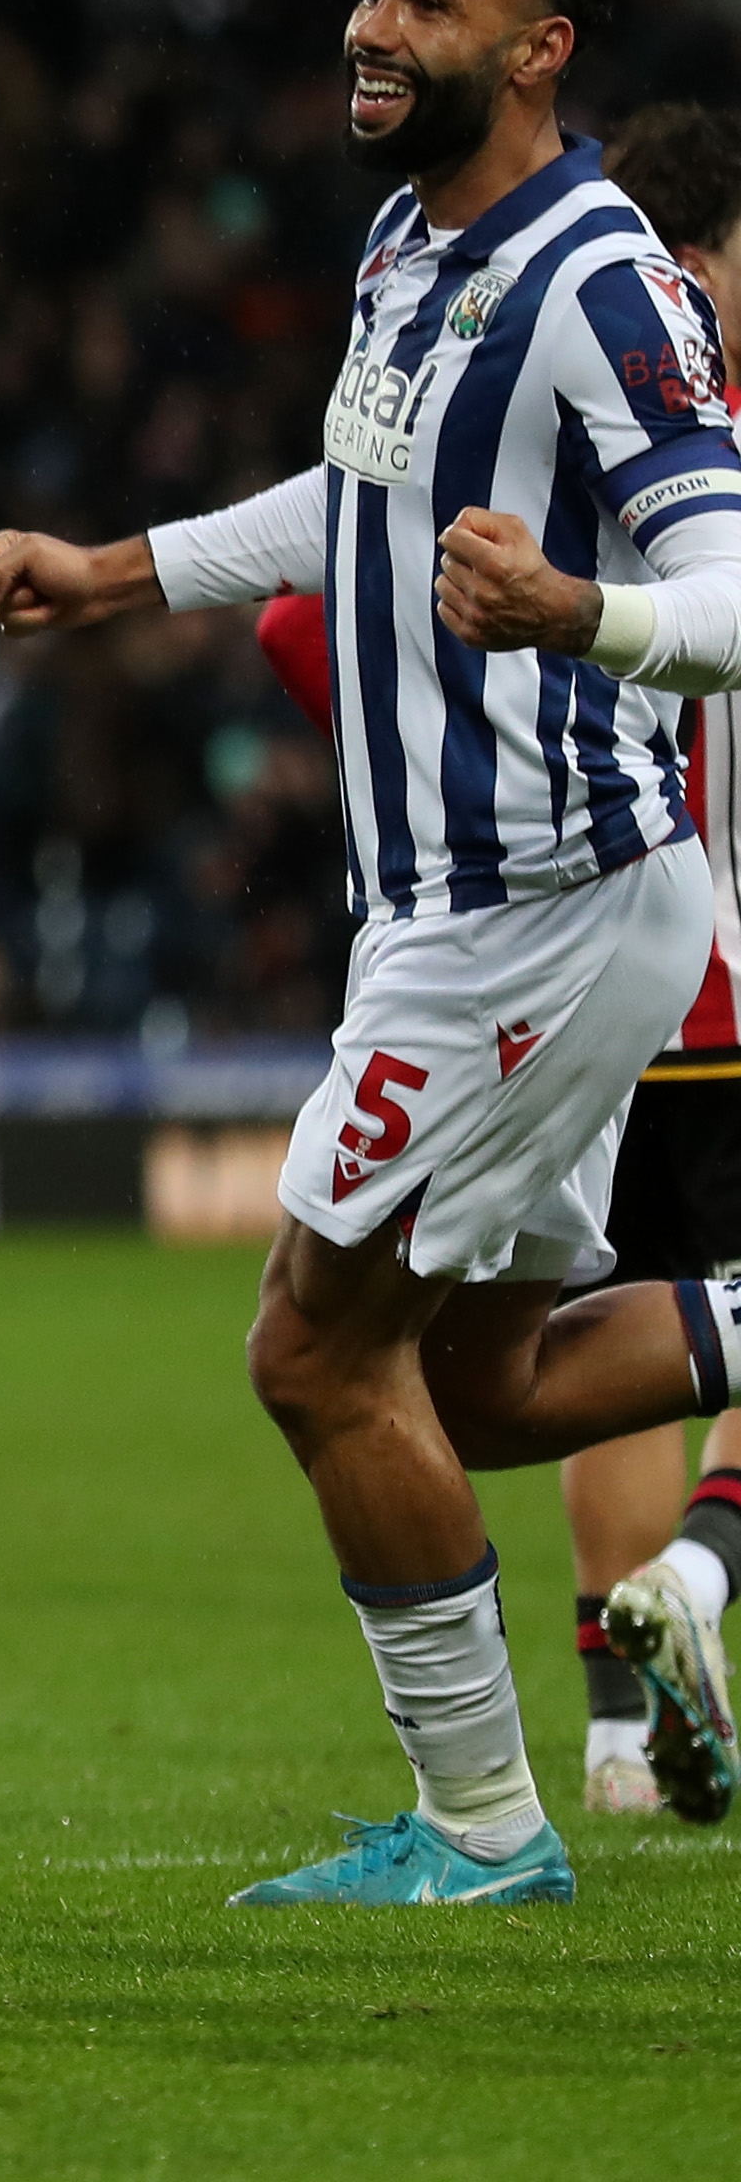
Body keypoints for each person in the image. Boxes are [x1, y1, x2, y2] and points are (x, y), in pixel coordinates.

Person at [0, 0, 741, 1907]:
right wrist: (118, 568)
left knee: (313, 1352)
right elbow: (355, 491)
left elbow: (736, 583)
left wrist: (583, 608)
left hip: (538, 894)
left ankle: (487, 1831)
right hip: (460, 901)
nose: (371, 25)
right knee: (474, 1376)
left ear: (540, 45)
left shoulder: (603, 274)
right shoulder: (412, 243)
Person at [551, 103, 741, 1822]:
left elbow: (313, 624)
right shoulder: (707, 446)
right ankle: (703, 1576)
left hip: (579, 969)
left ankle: (615, 1745)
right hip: (733, 969)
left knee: (623, 1329)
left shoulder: (530, 424)